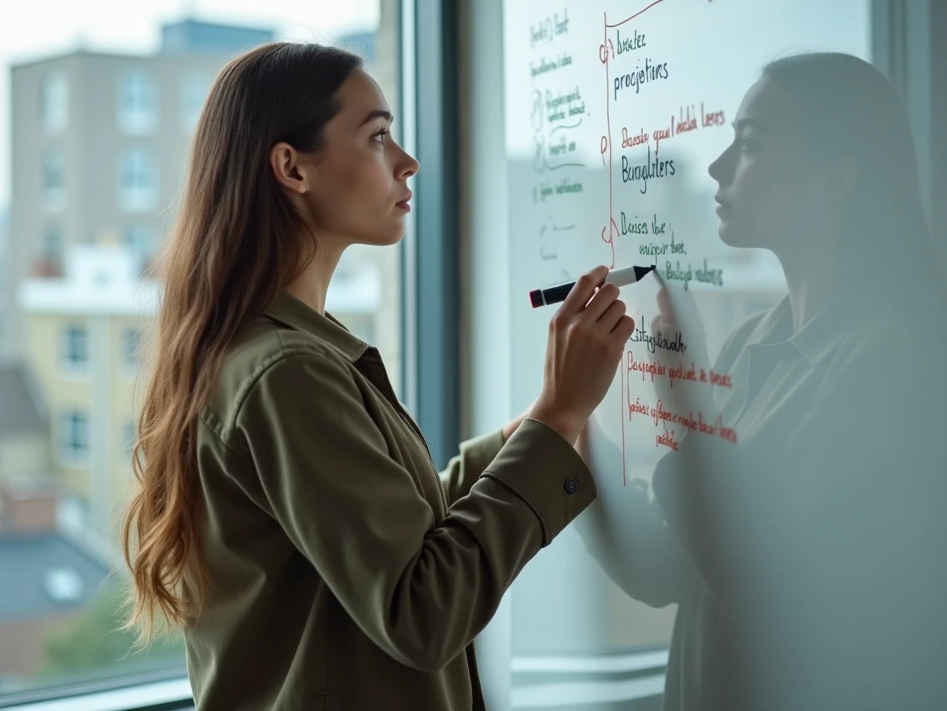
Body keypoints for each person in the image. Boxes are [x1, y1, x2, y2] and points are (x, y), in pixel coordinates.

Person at [120, 42, 635, 710]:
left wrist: (533, 426)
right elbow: (420, 610)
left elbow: (388, 533)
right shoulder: (288, 373)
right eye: (378, 137)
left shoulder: (268, 352)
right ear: (291, 168)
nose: (408, 161)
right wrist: (557, 417)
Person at [577, 52, 947, 710]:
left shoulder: (889, 367)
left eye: (750, 143)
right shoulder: (749, 344)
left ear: (837, 178)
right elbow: (668, 566)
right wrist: (570, 418)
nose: (721, 167)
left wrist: (680, 400)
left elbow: (780, 608)